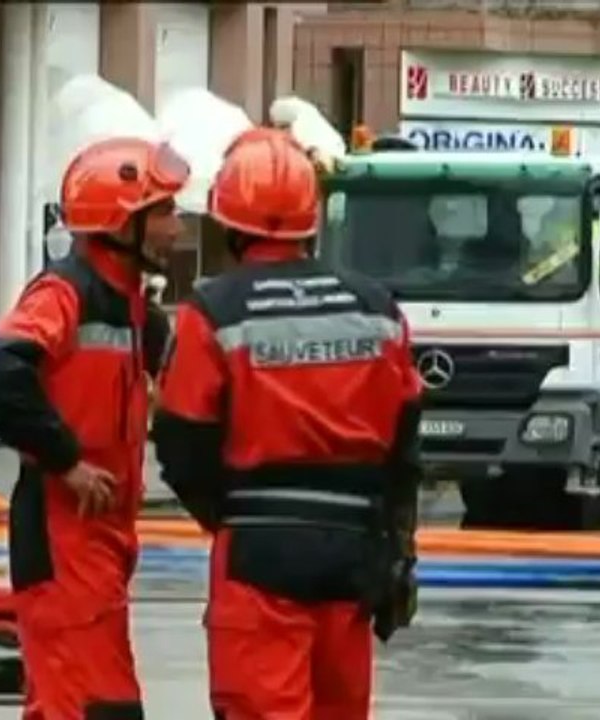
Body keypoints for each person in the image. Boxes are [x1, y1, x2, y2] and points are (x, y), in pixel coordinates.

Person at [152, 128, 423, 720]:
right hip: (354, 551)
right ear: (310, 219)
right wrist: (399, 549)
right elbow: (406, 440)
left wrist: (222, 514)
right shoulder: (376, 306)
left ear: (229, 224)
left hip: (259, 549)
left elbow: (179, 438)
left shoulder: (216, 309)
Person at [0, 137, 189, 720]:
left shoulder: (132, 307)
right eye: (164, 212)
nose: (177, 226)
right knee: (96, 708)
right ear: (121, 223)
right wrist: (67, 461)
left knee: (76, 706)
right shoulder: (63, 294)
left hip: (101, 541)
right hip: (64, 538)